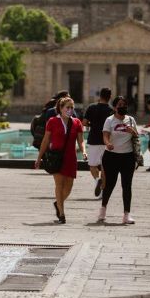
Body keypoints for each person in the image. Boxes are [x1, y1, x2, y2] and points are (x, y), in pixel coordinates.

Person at [34, 96, 87, 224]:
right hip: (56, 157)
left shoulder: (76, 122)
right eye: (67, 107)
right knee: (59, 184)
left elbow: (81, 140)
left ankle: (58, 203)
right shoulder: (52, 121)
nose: (70, 110)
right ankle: (62, 214)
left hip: (71, 158)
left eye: (72, 108)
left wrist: (84, 151)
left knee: (68, 187)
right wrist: (39, 157)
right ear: (61, 108)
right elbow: (46, 140)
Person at [99, 97, 139, 225]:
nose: (123, 107)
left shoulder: (131, 120)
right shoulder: (109, 120)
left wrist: (132, 131)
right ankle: (103, 209)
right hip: (111, 156)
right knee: (110, 184)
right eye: (120, 105)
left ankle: (126, 214)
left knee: (127, 186)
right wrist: (108, 143)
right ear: (115, 107)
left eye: (125, 104)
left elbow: (136, 136)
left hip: (127, 157)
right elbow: (105, 135)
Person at [83, 88, 114, 199]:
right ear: (110, 97)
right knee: (104, 167)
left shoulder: (91, 107)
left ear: (99, 96)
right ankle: (102, 192)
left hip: (93, 140)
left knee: (92, 165)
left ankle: (97, 180)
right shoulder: (111, 110)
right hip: (106, 141)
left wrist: (93, 124)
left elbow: (84, 123)